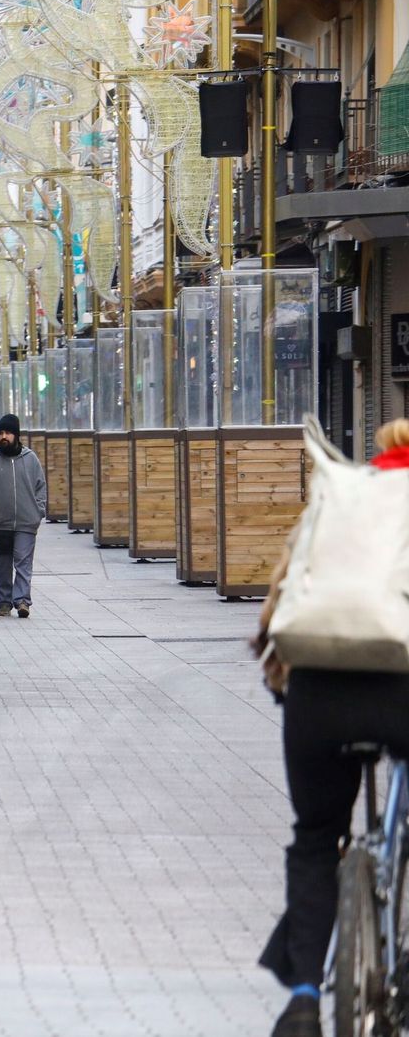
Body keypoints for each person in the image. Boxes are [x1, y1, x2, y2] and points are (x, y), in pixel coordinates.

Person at [259, 417, 409, 1037]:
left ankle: (300, 1000)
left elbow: (280, 599)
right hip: (401, 688)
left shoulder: (341, 500)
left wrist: (282, 682)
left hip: (318, 688)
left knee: (317, 837)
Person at [0, 414, 47, 618]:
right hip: (0, 522)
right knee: (3, 562)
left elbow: (40, 486)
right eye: (0, 433)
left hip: (26, 521)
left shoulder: (30, 459)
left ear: (16, 435)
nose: (3, 437)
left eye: (7, 433)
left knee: (23, 562)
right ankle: (5, 601)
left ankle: (22, 600)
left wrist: (39, 510)